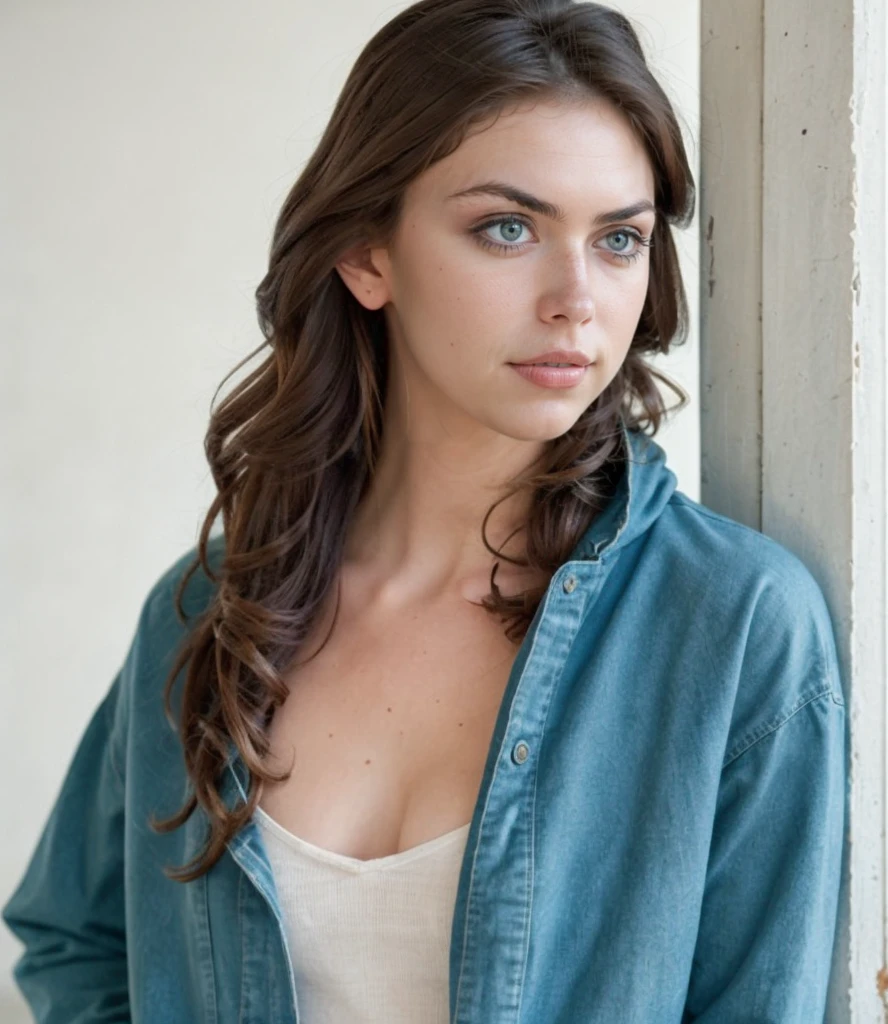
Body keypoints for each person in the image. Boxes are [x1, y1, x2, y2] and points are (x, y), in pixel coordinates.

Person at [2, 0, 847, 1021]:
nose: (576, 297)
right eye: (508, 227)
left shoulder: (735, 627)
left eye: (619, 239)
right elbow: (76, 942)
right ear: (367, 254)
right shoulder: (207, 617)